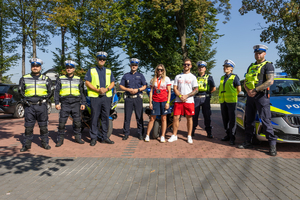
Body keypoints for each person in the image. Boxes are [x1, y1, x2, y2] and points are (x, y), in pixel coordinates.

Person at [238, 44, 277, 156]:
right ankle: (248, 142)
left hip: (262, 97)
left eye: (260, 53)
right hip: (250, 97)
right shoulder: (251, 66)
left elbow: (270, 81)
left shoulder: (268, 66)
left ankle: (272, 145)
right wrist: (248, 91)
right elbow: (245, 81)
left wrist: (255, 90)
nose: (258, 55)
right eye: (256, 53)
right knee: (248, 120)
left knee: (265, 121)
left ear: (264, 53)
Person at [19, 58, 52, 152]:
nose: (35, 68)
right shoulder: (24, 78)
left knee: (43, 126)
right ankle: (26, 145)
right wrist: (25, 100)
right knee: (28, 127)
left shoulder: (46, 78)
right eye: (33, 66)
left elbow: (50, 92)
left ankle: (45, 143)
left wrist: (45, 99)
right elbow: (20, 91)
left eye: (37, 66)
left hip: (41, 105)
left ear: (40, 67)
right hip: (29, 106)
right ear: (31, 67)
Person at [85, 51, 115, 146]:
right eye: (100, 59)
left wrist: (106, 89)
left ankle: (105, 137)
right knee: (94, 117)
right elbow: (87, 82)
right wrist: (97, 90)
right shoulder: (91, 70)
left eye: (103, 59)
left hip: (106, 97)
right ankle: (93, 138)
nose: (102, 60)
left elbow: (113, 83)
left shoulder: (109, 71)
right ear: (97, 59)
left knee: (105, 117)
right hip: (95, 97)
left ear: (105, 60)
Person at [54, 60, 86, 147]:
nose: (69, 69)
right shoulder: (60, 79)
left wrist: (83, 102)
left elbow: (82, 92)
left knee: (77, 122)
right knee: (61, 123)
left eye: (71, 68)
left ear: (74, 69)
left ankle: (77, 138)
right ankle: (60, 140)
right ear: (66, 69)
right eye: (67, 68)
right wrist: (57, 103)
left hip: (76, 103)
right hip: (65, 103)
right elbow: (56, 92)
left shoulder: (79, 79)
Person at [168, 58, 198, 144]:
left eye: (188, 64)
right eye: (185, 64)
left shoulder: (193, 77)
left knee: (189, 118)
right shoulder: (178, 76)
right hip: (178, 100)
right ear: (183, 65)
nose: (186, 66)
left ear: (191, 66)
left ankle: (189, 136)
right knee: (175, 117)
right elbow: (175, 88)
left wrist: (187, 95)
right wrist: (180, 96)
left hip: (189, 101)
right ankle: (174, 135)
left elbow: (196, 89)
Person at [120, 58, 147, 140]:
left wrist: (138, 90)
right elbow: (121, 86)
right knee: (127, 117)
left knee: (139, 117)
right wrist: (128, 90)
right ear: (130, 66)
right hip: (128, 98)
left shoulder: (141, 75)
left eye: (135, 65)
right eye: (132, 65)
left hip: (138, 98)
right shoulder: (126, 75)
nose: (134, 66)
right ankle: (126, 133)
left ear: (137, 66)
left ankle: (140, 133)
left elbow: (145, 86)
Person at [145, 64, 171, 143]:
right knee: (152, 118)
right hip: (155, 101)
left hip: (164, 101)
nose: (160, 71)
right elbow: (151, 92)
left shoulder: (166, 79)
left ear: (164, 71)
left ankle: (162, 136)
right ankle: (147, 135)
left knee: (164, 119)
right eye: (158, 69)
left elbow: (169, 91)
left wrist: (168, 102)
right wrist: (150, 103)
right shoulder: (153, 79)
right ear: (156, 70)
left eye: (161, 70)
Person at [219, 60, 241, 145]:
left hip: (232, 102)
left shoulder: (235, 77)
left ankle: (232, 137)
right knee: (225, 119)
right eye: (224, 66)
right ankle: (228, 135)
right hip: (223, 101)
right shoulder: (222, 77)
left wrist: (234, 96)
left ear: (231, 68)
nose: (225, 68)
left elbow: (239, 90)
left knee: (232, 120)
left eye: (227, 67)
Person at [192, 61, 216, 138]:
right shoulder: (194, 77)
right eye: (199, 67)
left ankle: (209, 132)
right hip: (196, 98)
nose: (200, 69)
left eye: (202, 67)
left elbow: (214, 88)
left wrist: (208, 93)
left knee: (207, 115)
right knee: (194, 115)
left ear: (205, 68)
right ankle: (192, 131)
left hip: (205, 98)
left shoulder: (209, 77)